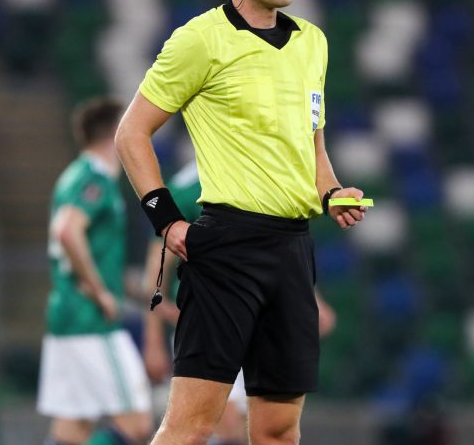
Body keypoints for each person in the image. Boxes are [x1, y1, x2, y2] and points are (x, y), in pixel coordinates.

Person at [115, 0, 367, 445]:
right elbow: (131, 133)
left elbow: (313, 147)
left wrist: (332, 192)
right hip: (227, 248)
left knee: (278, 430)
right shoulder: (199, 40)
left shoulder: (313, 42)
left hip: (293, 250)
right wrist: (166, 220)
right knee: (191, 425)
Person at [141, 161, 338, 445]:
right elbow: (156, 271)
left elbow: (274, 246)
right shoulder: (186, 189)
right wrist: (153, 340)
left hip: (261, 317)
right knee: (216, 423)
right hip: (213, 318)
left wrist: (312, 299)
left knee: (262, 424)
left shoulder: (256, 173)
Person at [36, 97, 153, 445]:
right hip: (93, 319)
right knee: (135, 423)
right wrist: (100, 290)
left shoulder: (73, 174)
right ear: (118, 131)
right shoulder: (95, 179)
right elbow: (67, 231)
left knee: (72, 430)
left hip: (67, 314)